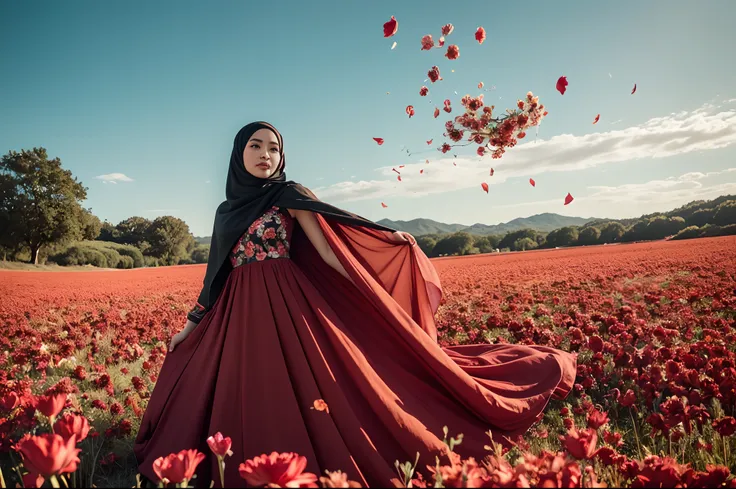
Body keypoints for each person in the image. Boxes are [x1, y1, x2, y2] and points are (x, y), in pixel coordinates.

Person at [133, 121, 577, 488]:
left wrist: (378, 269)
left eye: (274, 148)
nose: (265, 154)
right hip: (239, 312)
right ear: (238, 153)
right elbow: (215, 276)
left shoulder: (288, 194)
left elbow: (330, 247)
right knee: (242, 381)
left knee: (318, 380)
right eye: (255, 146)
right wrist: (190, 327)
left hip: (289, 303)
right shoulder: (225, 211)